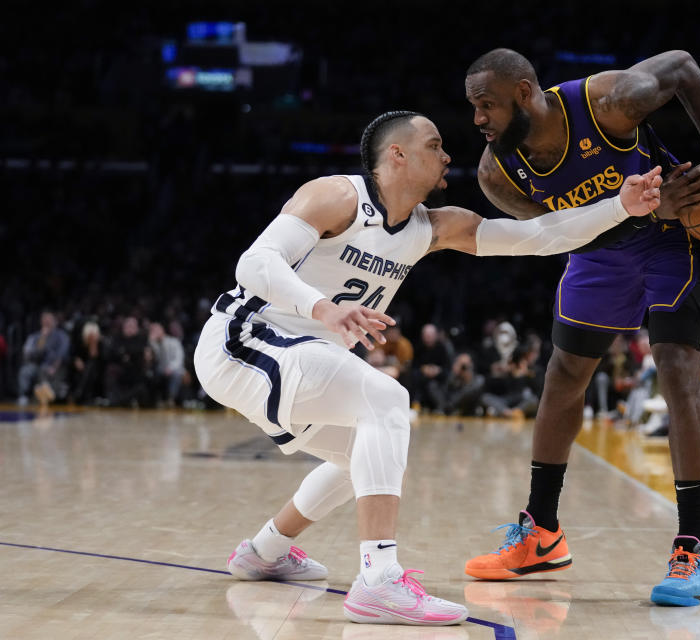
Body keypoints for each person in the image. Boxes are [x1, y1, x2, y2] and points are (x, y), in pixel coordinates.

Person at [193, 110, 663, 626]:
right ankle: (378, 579)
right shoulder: (335, 195)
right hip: (244, 340)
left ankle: (263, 552)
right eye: (435, 145)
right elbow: (255, 265)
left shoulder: (432, 226)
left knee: (365, 456)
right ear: (397, 154)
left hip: (302, 351)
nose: (447, 156)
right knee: (388, 402)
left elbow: (540, 235)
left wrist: (620, 205)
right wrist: (324, 309)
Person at [463, 48, 700, 606]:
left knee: (675, 368)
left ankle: (693, 547)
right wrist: (647, 210)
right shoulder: (496, 174)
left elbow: (684, 67)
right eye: (473, 108)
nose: (478, 119)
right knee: (564, 373)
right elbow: (562, 237)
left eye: (487, 105)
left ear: (525, 93)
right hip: (603, 249)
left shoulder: (607, 104)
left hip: (676, 240)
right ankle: (542, 532)